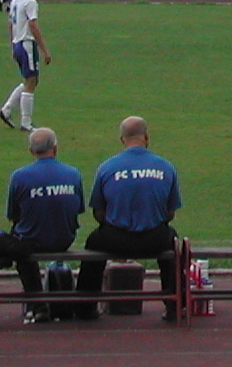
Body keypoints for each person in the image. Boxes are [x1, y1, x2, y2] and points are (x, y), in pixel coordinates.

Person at [77, 116, 182, 322]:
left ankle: (85, 306)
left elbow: (98, 212)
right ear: (146, 136)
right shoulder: (166, 167)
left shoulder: (107, 167)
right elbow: (170, 213)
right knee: (174, 244)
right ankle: (174, 305)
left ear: (122, 139)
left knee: (92, 243)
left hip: (116, 238)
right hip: (155, 239)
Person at [0, 128, 85, 323]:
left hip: (31, 242)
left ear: (31, 151)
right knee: (23, 243)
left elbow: (13, 215)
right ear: (55, 148)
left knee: (20, 247)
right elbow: (78, 209)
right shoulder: (73, 173)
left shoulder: (20, 176)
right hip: (64, 239)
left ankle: (38, 305)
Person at [0, 0, 52, 131]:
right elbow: (33, 25)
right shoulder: (30, 2)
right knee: (31, 81)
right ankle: (26, 123)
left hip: (17, 43)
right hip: (27, 44)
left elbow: (10, 25)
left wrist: (12, 45)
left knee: (29, 80)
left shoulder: (15, 0)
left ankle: (6, 110)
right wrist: (45, 50)